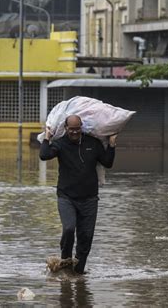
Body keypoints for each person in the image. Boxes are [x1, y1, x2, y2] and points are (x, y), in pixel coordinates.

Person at [39, 114, 117, 274]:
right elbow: (44, 155)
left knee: (86, 237)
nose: (75, 132)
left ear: (82, 127)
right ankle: (66, 261)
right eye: (71, 129)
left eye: (77, 129)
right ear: (66, 128)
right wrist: (47, 138)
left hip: (89, 199)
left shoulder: (93, 143)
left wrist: (111, 145)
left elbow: (107, 162)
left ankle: (78, 271)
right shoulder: (60, 144)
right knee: (68, 228)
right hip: (66, 197)